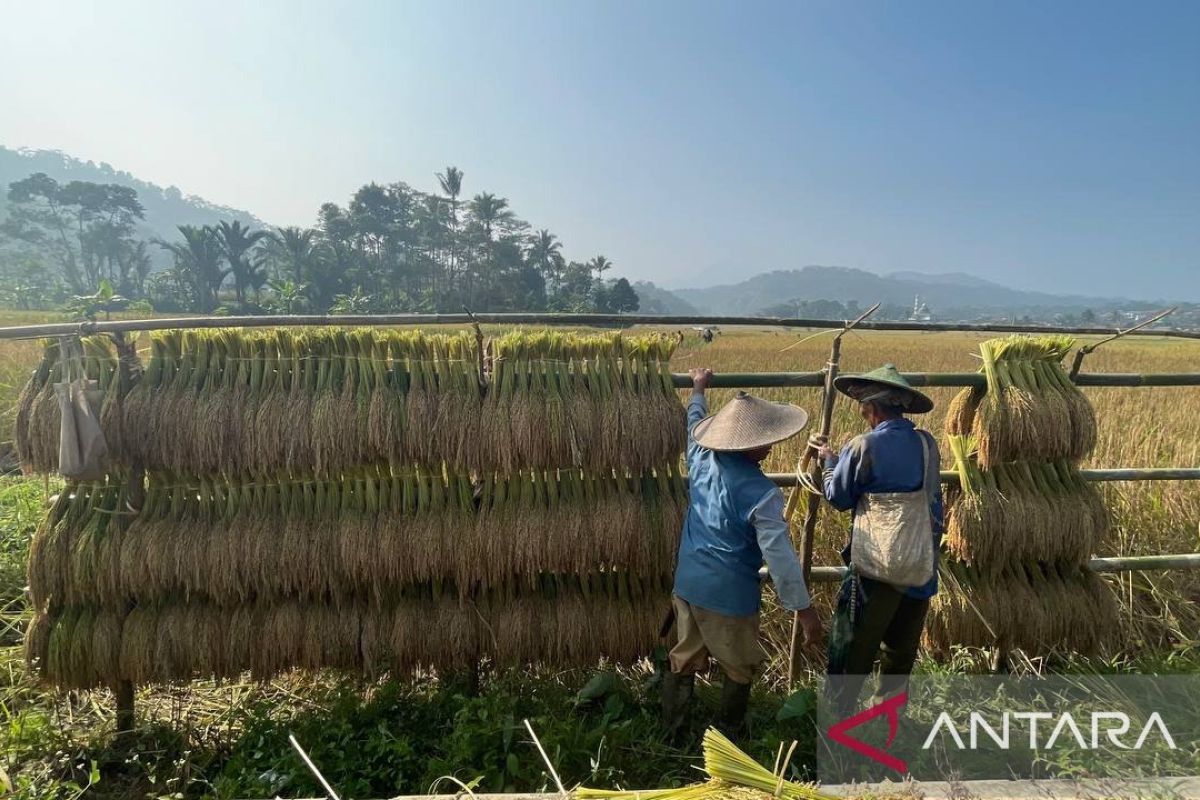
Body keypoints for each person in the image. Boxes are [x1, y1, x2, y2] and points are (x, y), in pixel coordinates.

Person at [663, 368, 823, 738]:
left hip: (687, 584)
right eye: (763, 441)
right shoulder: (762, 493)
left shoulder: (701, 458)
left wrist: (698, 389)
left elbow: (694, 423)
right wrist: (803, 608)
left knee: (683, 659)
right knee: (738, 667)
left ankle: (674, 734)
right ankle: (728, 737)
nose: (770, 446)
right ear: (746, 445)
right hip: (729, 596)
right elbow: (780, 557)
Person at [811, 364, 942, 715]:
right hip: (920, 565)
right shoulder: (927, 444)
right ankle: (888, 720)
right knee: (900, 652)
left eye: (864, 410)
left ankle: (839, 717)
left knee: (852, 647)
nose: (864, 416)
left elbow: (838, 497)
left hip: (876, 568)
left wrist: (828, 463)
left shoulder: (863, 445)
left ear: (873, 409)